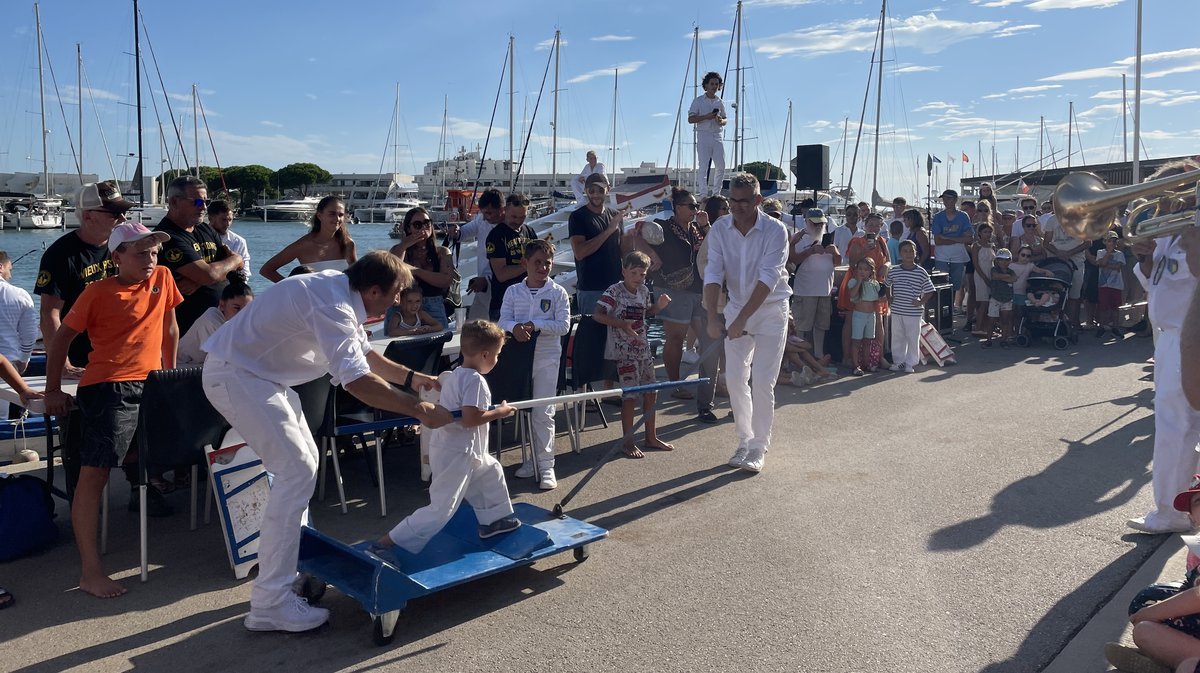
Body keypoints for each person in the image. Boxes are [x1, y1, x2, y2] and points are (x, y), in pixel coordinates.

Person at [201, 251, 454, 632]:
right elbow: (358, 382)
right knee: (297, 470)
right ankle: (270, 601)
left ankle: (291, 571)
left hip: (258, 376)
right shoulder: (333, 304)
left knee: (301, 469)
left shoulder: (339, 290)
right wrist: (419, 410)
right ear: (373, 290)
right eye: (395, 296)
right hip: (238, 375)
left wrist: (412, 377)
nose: (396, 303)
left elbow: (364, 354)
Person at [43, 221, 182, 599]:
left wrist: (168, 374)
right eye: (140, 253)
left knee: (164, 453)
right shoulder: (96, 292)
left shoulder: (164, 277)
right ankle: (90, 572)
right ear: (116, 256)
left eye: (153, 252)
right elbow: (60, 339)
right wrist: (52, 389)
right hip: (109, 388)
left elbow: (169, 326)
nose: (150, 260)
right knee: (95, 475)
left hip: (152, 383)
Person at [372, 320, 520, 555]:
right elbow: (471, 418)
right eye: (497, 355)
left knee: (491, 472)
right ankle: (388, 543)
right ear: (484, 355)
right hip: (458, 453)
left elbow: (450, 395)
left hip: (464, 450)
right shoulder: (476, 381)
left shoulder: (455, 375)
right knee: (442, 508)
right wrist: (500, 412)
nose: (497, 359)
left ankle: (495, 521)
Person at [1127, 160, 1200, 534]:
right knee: (1177, 425)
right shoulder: (1168, 233)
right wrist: (1144, 257)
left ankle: (1171, 512)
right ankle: (1180, 507)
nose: (1162, 206)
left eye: (1169, 197)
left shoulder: (1193, 230)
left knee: (1176, 426)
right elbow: (1157, 284)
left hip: (1187, 336)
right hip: (1168, 335)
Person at [703, 172, 791, 473]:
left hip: (770, 309)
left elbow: (769, 278)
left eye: (743, 201)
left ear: (757, 200)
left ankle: (758, 446)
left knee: (762, 381)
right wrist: (713, 315)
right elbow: (713, 273)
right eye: (732, 201)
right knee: (735, 379)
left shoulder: (775, 230)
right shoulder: (719, 229)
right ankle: (744, 439)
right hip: (736, 306)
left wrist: (742, 319)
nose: (736, 207)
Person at [498, 239, 571, 489]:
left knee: (543, 411)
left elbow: (563, 326)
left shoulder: (558, 292)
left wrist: (536, 325)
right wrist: (514, 327)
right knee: (525, 410)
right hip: (519, 359)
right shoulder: (513, 292)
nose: (542, 268)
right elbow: (502, 321)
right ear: (525, 263)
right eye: (537, 263)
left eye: (547, 264)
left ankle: (547, 465)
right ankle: (532, 459)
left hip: (547, 358)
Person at [34, 181, 125, 378]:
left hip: (119, 357)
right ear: (87, 215)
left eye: (123, 211)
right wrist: (64, 365)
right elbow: (49, 314)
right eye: (114, 213)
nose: (122, 218)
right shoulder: (60, 255)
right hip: (79, 359)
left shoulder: (124, 247)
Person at [594, 251, 673, 458]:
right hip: (624, 352)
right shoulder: (614, 292)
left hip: (643, 349)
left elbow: (647, 313)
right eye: (634, 273)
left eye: (642, 274)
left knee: (651, 392)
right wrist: (621, 324)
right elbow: (597, 315)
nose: (638, 278)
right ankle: (627, 441)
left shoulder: (644, 291)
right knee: (629, 397)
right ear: (624, 271)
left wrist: (659, 306)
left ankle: (651, 436)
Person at [633, 188, 707, 401]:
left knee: (707, 338)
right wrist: (652, 254)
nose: (695, 210)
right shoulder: (663, 226)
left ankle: (710, 382)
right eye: (691, 206)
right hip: (671, 288)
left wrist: (705, 225)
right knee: (676, 338)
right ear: (678, 207)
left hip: (697, 289)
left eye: (696, 206)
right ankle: (675, 384)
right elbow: (636, 237)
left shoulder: (697, 229)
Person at [153, 176, 243, 335]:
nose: (203, 208)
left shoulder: (205, 229)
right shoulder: (166, 237)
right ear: (174, 202)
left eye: (206, 202)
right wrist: (231, 261)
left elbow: (235, 267)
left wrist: (234, 261)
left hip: (224, 323)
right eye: (197, 202)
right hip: (190, 331)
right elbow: (208, 274)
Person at [258, 195, 357, 282]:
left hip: (343, 301)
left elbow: (358, 279)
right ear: (319, 215)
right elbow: (266, 270)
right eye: (332, 214)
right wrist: (294, 288)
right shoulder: (303, 245)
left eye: (340, 215)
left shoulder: (347, 244)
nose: (337, 219)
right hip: (313, 302)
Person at [388, 207, 455, 329]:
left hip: (433, 304)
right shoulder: (398, 249)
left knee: (436, 344)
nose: (423, 228)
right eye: (417, 225)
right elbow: (392, 273)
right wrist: (405, 244)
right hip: (403, 309)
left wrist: (415, 271)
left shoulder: (442, 252)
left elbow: (446, 280)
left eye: (427, 223)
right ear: (408, 228)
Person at [444, 189, 505, 321]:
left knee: (497, 325)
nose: (484, 217)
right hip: (483, 284)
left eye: (488, 213)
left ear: (502, 210)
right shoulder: (482, 219)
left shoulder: (509, 228)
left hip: (501, 286)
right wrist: (457, 232)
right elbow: (466, 231)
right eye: (482, 213)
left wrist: (487, 279)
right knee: (475, 323)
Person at [788, 207, 840, 361]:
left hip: (825, 290)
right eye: (815, 223)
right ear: (807, 222)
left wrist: (835, 253)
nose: (818, 226)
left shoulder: (829, 238)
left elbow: (837, 263)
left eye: (821, 223)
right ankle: (798, 357)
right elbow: (792, 261)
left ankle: (818, 355)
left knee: (821, 325)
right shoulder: (799, 238)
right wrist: (809, 252)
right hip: (805, 290)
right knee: (802, 326)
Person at [569, 174, 624, 314]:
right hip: (591, 289)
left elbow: (622, 250)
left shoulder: (615, 215)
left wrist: (634, 239)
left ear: (608, 190)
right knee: (593, 334)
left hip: (617, 288)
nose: (595, 194)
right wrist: (609, 230)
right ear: (586, 191)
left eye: (600, 190)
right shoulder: (578, 217)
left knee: (617, 335)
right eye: (591, 190)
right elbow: (580, 253)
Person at [486, 193, 537, 321]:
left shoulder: (529, 231)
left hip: (528, 302)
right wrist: (528, 265)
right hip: (504, 304)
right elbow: (501, 274)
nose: (518, 221)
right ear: (505, 211)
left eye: (522, 217)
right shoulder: (496, 235)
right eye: (514, 216)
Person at [177, 282, 254, 365]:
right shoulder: (211, 320)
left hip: (203, 365)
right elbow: (231, 355)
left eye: (247, 309)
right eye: (236, 308)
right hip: (182, 366)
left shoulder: (244, 321)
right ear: (222, 305)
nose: (242, 314)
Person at [886, 240, 934, 373]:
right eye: (905, 251)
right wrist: (889, 298)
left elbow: (930, 290)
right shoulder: (894, 270)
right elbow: (887, 284)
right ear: (900, 253)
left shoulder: (921, 272)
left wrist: (921, 301)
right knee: (897, 336)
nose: (908, 254)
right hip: (897, 310)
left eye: (911, 251)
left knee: (912, 337)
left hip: (913, 312)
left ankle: (910, 362)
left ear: (915, 253)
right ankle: (898, 361)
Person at [1041, 204, 1089, 328]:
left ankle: (1072, 324)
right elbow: (1046, 243)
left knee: (1075, 295)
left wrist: (1069, 253)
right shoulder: (1052, 219)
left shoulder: (1080, 219)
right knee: (1056, 292)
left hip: (1076, 262)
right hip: (1056, 262)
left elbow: (1088, 243)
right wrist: (1058, 253)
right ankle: (1056, 324)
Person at [931, 189, 973, 315]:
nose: (945, 201)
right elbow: (938, 240)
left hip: (958, 256)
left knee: (955, 284)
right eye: (944, 199)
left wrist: (948, 238)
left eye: (948, 198)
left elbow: (969, 239)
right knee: (941, 283)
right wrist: (958, 239)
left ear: (955, 200)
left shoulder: (963, 216)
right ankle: (941, 308)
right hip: (941, 255)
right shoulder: (938, 217)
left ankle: (950, 308)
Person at [688, 71, 728, 197]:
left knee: (721, 165)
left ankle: (716, 193)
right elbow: (691, 119)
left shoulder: (719, 102)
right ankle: (704, 194)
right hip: (703, 135)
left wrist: (721, 120)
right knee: (703, 166)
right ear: (706, 85)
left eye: (716, 84)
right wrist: (707, 117)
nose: (714, 86)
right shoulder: (698, 101)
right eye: (712, 84)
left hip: (717, 135)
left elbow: (725, 119)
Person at [0, 250, 36, 373]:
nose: (10, 275)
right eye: (10, 269)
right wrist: (24, 359)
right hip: (8, 364)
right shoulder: (19, 295)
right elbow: (29, 335)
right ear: (1, 267)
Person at [846, 258, 881, 376]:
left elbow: (879, 298)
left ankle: (867, 363)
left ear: (871, 271)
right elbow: (852, 294)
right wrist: (859, 281)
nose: (862, 272)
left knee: (868, 341)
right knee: (856, 340)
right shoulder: (853, 282)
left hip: (871, 315)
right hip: (859, 315)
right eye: (860, 269)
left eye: (865, 270)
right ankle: (856, 365)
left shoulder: (874, 284)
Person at [206, 200, 251, 282]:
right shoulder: (198, 237)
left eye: (230, 220)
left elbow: (245, 274)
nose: (227, 224)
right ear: (210, 218)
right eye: (223, 220)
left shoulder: (239, 242)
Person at [1094, 231, 1127, 338]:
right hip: (1103, 284)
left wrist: (1104, 265)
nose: (1111, 243)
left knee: (1115, 307)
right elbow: (1101, 263)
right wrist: (1108, 254)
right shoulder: (1100, 252)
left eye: (1113, 241)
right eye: (1109, 241)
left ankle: (1115, 327)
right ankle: (1102, 326)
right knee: (1103, 307)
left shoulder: (1119, 254)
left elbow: (1118, 267)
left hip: (1116, 285)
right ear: (1104, 242)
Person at [983, 248, 1017, 348]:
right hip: (995, 298)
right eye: (1001, 259)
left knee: (1005, 320)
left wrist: (1001, 277)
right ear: (997, 260)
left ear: (1010, 261)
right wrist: (1006, 277)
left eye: (1006, 259)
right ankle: (988, 340)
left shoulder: (1012, 271)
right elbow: (994, 276)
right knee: (991, 320)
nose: (1003, 262)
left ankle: (1004, 340)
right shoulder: (994, 269)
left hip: (1007, 299)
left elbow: (1014, 279)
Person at [972, 223, 997, 337]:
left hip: (990, 272)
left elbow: (995, 262)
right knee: (983, 302)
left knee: (989, 302)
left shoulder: (992, 246)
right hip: (980, 274)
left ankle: (986, 327)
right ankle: (978, 327)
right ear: (980, 233)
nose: (987, 234)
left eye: (989, 232)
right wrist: (985, 278)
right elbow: (976, 264)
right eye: (985, 232)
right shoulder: (976, 246)